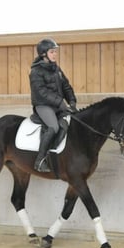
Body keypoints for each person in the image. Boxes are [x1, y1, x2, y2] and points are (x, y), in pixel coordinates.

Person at [29, 38, 78, 172]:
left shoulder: (56, 69)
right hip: (43, 106)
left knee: (70, 122)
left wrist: (72, 101)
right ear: (44, 54)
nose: (55, 54)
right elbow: (42, 92)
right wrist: (60, 103)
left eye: (56, 52)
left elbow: (66, 86)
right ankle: (40, 160)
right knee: (54, 127)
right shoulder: (35, 72)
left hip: (57, 105)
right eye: (52, 52)